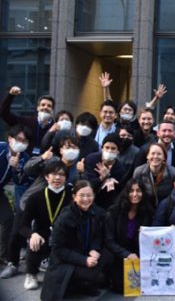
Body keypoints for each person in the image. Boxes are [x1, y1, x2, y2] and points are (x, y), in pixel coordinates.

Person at [40, 180, 113, 300]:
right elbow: (58, 249)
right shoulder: (65, 217)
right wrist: (84, 260)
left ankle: (82, 284)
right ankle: (76, 284)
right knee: (92, 274)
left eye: (89, 195)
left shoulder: (95, 212)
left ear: (94, 196)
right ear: (74, 197)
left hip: (85, 252)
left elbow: (97, 236)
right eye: (82, 195)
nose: (86, 199)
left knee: (109, 254)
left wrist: (94, 249)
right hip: (65, 261)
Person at [15, 161, 72, 290]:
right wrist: (32, 234)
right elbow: (22, 225)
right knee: (35, 241)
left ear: (66, 178)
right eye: (53, 174)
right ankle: (32, 273)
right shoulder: (35, 197)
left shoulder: (71, 196)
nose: (57, 178)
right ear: (46, 176)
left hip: (63, 236)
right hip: (42, 235)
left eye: (62, 175)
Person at [104, 180, 153, 293]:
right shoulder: (114, 211)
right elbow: (109, 240)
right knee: (121, 288)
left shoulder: (147, 212)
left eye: (138, 191)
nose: (135, 194)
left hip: (137, 253)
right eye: (131, 191)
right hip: (118, 253)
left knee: (140, 286)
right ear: (126, 193)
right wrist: (126, 254)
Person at [0, 125, 32, 267]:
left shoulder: (24, 158)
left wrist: (16, 168)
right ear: (10, 139)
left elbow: (20, 181)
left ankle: (2, 255)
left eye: (25, 141)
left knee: (8, 219)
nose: (21, 143)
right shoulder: (1, 148)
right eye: (19, 139)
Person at [0, 85, 54, 155]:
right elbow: (4, 114)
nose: (45, 107)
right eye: (43, 105)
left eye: (49, 106)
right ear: (38, 108)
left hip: (46, 163)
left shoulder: (55, 128)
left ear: (52, 110)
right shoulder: (26, 121)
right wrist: (10, 95)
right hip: (25, 161)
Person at [83, 133, 127, 210]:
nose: (109, 151)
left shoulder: (120, 169)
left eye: (113, 149)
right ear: (102, 148)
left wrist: (109, 178)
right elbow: (89, 184)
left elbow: (118, 191)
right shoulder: (91, 160)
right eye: (107, 147)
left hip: (106, 205)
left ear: (118, 151)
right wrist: (102, 178)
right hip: (88, 199)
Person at [132, 143, 175, 207]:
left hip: (166, 207)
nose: (155, 156)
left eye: (159, 154)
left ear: (164, 157)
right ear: (147, 156)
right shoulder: (139, 172)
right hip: (144, 207)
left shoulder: (174, 173)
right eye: (153, 153)